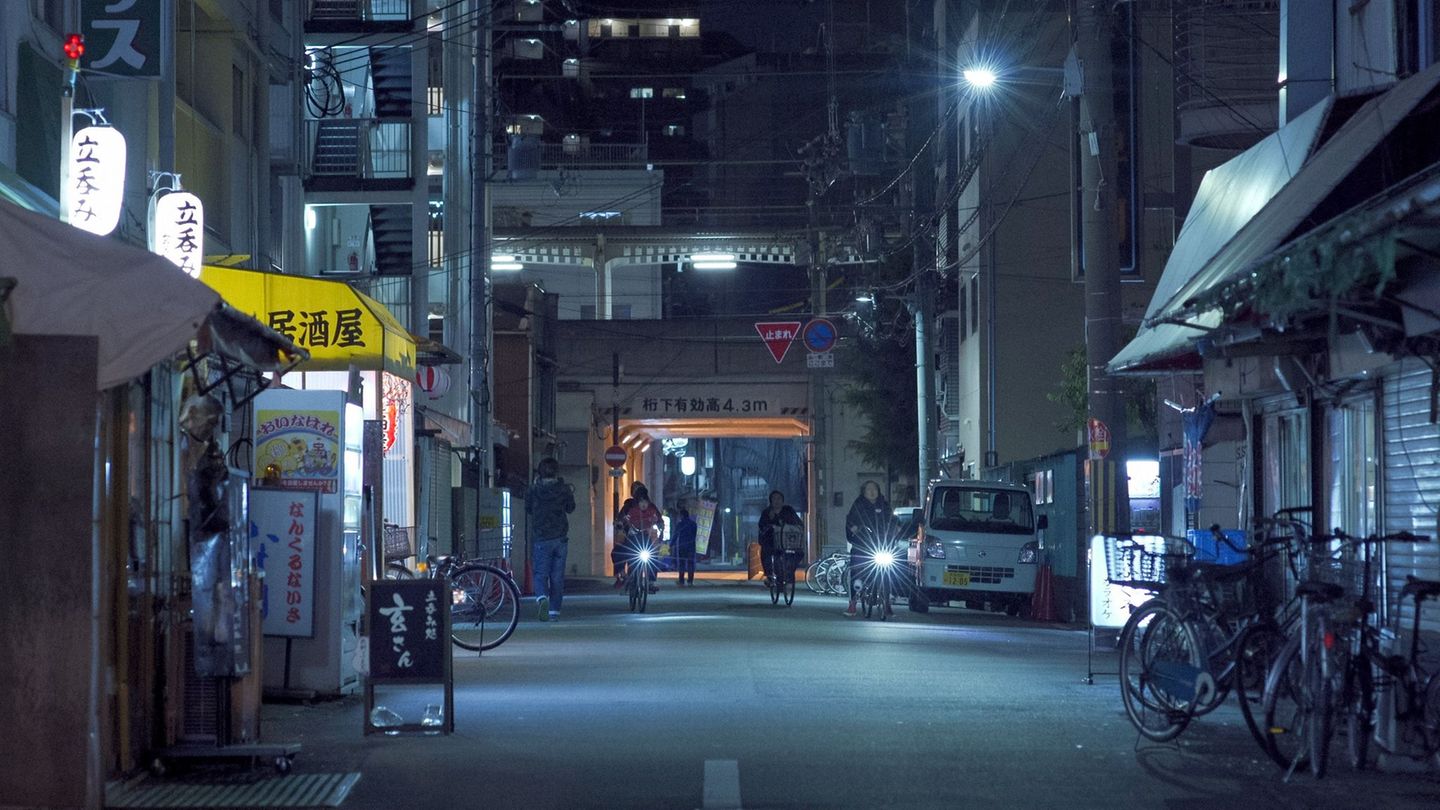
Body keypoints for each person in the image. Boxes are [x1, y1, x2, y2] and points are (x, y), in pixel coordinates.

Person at [525, 457, 575, 622]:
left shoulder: (534, 490)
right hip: (560, 538)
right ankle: (554, 611)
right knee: (557, 577)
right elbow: (571, 508)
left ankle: (541, 598)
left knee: (540, 574)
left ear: (539, 472)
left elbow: (528, 509)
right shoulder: (563, 489)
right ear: (556, 472)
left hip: (541, 538)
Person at [844, 480, 894, 617]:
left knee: (888, 571)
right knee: (855, 569)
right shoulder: (858, 505)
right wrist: (854, 528)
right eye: (868, 490)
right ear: (864, 492)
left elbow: (892, 520)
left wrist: (896, 528)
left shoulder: (884, 505)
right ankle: (852, 603)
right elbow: (850, 520)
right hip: (862, 544)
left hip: (880, 545)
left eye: (874, 489)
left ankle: (887, 603)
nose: (872, 492)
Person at [616, 485, 663, 593]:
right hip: (632, 538)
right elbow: (622, 518)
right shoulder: (630, 507)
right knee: (626, 555)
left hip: (645, 537)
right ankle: (627, 577)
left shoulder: (651, 508)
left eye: (645, 500)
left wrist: (660, 525)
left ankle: (650, 582)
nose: (643, 504)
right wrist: (620, 524)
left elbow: (659, 519)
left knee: (652, 556)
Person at [757, 490, 803, 586]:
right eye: (774, 499)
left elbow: (798, 523)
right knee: (766, 553)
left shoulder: (788, 510)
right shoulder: (767, 512)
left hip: (788, 541)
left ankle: (789, 573)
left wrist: (793, 528)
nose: (777, 501)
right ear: (771, 501)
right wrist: (770, 525)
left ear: (783, 500)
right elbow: (762, 526)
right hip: (771, 542)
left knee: (799, 553)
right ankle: (769, 575)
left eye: (779, 499)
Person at [671, 507, 698, 586]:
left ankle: (681, 580)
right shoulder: (693, 524)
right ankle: (690, 581)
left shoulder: (680, 524)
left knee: (682, 564)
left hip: (682, 546)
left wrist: (671, 544)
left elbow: (675, 535)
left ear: (682, 516)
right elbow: (695, 535)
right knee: (690, 564)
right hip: (691, 546)